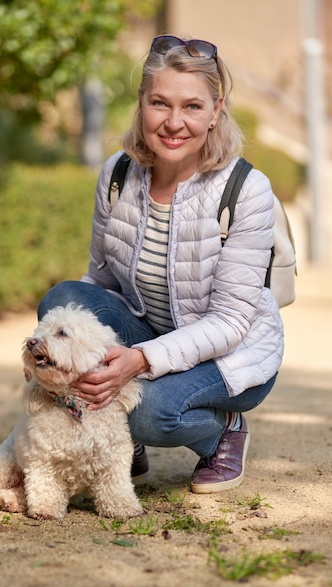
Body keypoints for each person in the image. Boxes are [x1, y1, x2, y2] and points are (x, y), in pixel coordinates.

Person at [38, 35, 284, 494]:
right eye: (159, 103)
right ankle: (116, 437)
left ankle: (223, 431)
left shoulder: (246, 190)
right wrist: (74, 357)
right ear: (142, 104)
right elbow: (101, 282)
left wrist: (139, 361)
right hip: (150, 332)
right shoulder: (117, 175)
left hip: (233, 354)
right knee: (63, 301)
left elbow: (230, 321)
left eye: (192, 106)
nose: (173, 123)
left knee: (149, 412)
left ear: (216, 110)